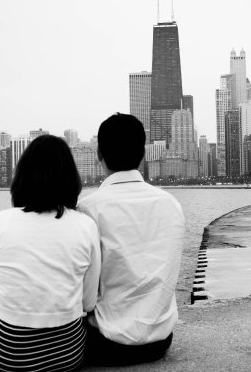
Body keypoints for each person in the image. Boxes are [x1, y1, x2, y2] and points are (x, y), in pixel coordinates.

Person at [0, 135, 100, 372]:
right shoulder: (86, 225)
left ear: (22, 177)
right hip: (67, 354)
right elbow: (88, 302)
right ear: (70, 179)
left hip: (6, 358)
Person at [79, 113, 185, 366]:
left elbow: (84, 294)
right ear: (143, 154)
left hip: (105, 343)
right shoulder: (171, 204)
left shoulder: (87, 209)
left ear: (99, 156)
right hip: (160, 341)